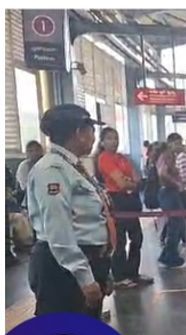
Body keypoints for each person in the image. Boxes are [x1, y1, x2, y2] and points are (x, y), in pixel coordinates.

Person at [26, 104, 113, 317]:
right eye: (91, 130)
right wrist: (85, 277)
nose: (94, 137)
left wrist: (102, 269)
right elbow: (59, 229)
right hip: (63, 270)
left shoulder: (72, 166)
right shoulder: (52, 170)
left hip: (86, 261)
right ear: (79, 133)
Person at [96, 127, 154, 289]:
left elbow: (136, 179)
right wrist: (129, 183)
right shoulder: (104, 158)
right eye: (109, 138)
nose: (113, 141)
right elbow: (121, 183)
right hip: (117, 201)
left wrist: (131, 183)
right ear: (102, 141)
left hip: (130, 201)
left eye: (115, 138)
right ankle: (119, 276)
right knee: (119, 240)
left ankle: (133, 273)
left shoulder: (122, 158)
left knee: (137, 238)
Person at [156, 141, 186, 268]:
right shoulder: (167, 156)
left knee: (175, 224)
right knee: (176, 224)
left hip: (168, 192)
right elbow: (163, 173)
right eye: (178, 142)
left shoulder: (165, 156)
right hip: (169, 192)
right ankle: (170, 256)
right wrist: (177, 184)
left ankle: (167, 254)